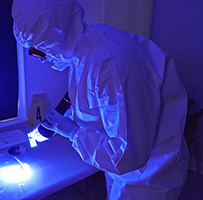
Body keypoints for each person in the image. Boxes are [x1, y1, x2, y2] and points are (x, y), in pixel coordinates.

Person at [12, 0, 189, 199]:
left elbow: (125, 156)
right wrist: (67, 114)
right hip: (126, 175)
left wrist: (73, 132)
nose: (40, 58)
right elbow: (96, 101)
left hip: (148, 179)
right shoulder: (87, 48)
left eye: (36, 50)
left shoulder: (113, 68)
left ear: (56, 34)